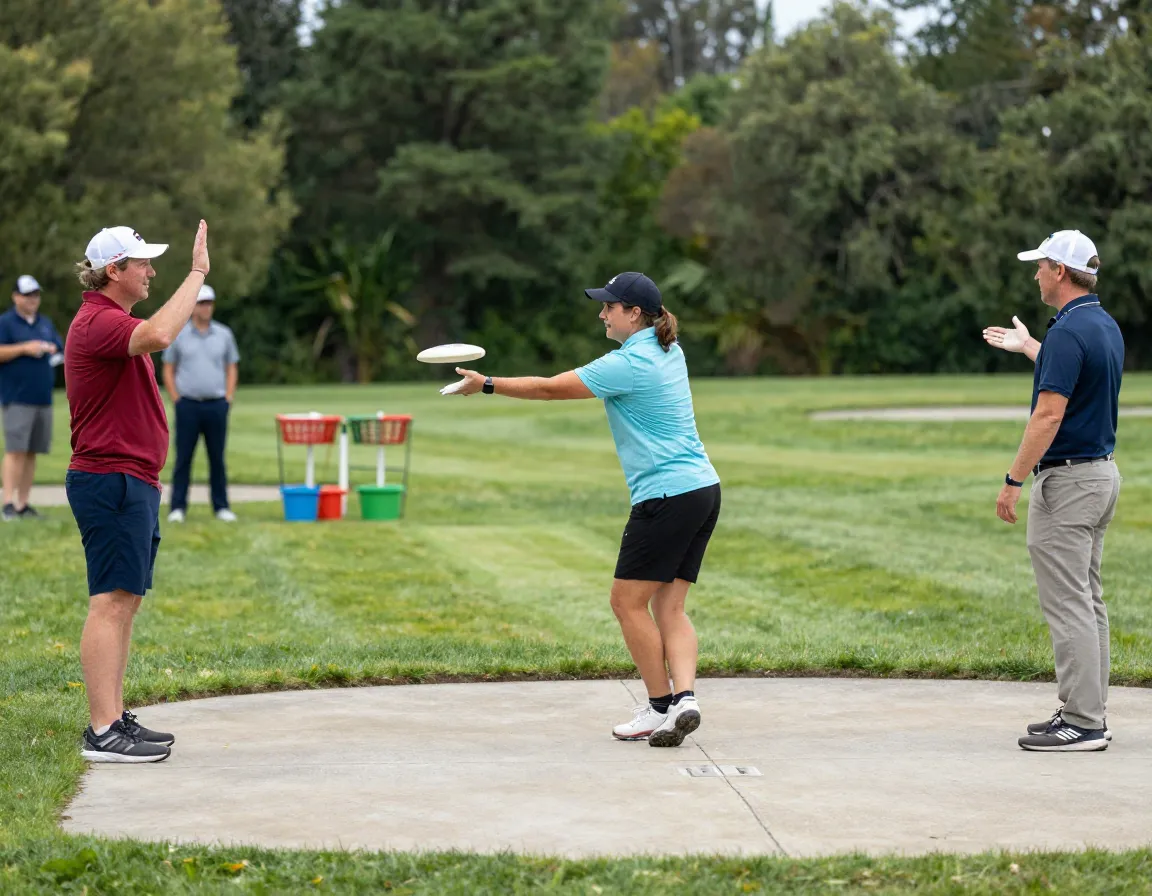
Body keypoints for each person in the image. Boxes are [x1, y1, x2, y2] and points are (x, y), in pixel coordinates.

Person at [448, 272, 721, 748]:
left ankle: (659, 708)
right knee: (669, 605)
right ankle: (686, 700)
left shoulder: (630, 363)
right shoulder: (668, 349)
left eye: (609, 306)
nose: (601, 313)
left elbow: (551, 388)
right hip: (702, 489)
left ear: (633, 313)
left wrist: (486, 383)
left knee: (626, 602)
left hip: (665, 496)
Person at [65, 222, 210, 763]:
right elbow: (160, 335)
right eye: (143, 263)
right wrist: (197, 272)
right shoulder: (97, 322)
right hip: (111, 481)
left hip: (130, 481)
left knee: (125, 601)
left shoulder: (110, 320)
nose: (151, 271)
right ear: (114, 271)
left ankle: (114, 717)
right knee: (109, 603)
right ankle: (103, 732)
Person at [983, 229, 1123, 753]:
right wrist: (1029, 347)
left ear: (1059, 272)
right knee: (1087, 601)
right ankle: (1087, 711)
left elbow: (1048, 414)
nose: (1036, 274)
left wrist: (1013, 481)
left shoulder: (1069, 331)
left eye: (1040, 266)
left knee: (1069, 604)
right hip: (1100, 475)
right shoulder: (1099, 324)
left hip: (1067, 482)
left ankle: (1084, 722)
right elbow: (1073, 369)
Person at [162, 283, 240, 523]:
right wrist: (176, 398)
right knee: (183, 457)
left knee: (217, 457)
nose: (206, 308)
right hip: (188, 405)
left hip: (217, 404)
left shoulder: (224, 334)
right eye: (202, 303)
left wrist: (228, 397)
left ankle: (221, 506)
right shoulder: (179, 334)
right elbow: (168, 369)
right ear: (193, 306)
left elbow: (231, 367)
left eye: (209, 303)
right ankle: (178, 508)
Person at [0, 275, 64, 520]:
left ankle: (23, 504)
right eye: (27, 295)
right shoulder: (6, 323)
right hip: (16, 398)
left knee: (32, 452)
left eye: (35, 295)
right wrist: (25, 348)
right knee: (15, 450)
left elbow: (58, 348)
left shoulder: (44, 323)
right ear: (16, 297)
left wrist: (50, 350)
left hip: (42, 397)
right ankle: (7, 504)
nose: (32, 300)